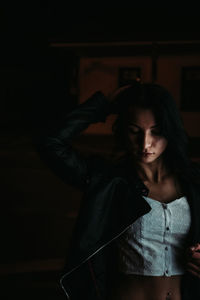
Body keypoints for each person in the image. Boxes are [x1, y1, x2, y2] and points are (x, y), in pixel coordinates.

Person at [36, 81, 200, 300]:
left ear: (170, 130)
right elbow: (50, 142)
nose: (145, 143)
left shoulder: (193, 181)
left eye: (156, 132)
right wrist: (103, 105)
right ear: (123, 131)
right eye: (135, 131)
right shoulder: (108, 181)